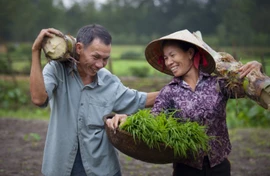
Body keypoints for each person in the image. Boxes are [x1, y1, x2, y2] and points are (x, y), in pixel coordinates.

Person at [107, 29, 263, 176]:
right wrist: (128, 119)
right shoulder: (169, 92)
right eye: (166, 58)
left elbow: (253, 91)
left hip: (219, 166)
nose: (169, 62)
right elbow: (153, 121)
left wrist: (257, 71)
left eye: (172, 55)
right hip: (186, 168)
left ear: (189, 53)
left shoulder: (218, 84)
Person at [30, 24, 158, 176]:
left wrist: (175, 91)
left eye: (105, 59)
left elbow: (140, 99)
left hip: (102, 168)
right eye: (96, 57)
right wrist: (36, 51)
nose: (100, 64)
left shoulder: (108, 81)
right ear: (79, 48)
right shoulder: (57, 70)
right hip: (61, 166)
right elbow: (38, 98)